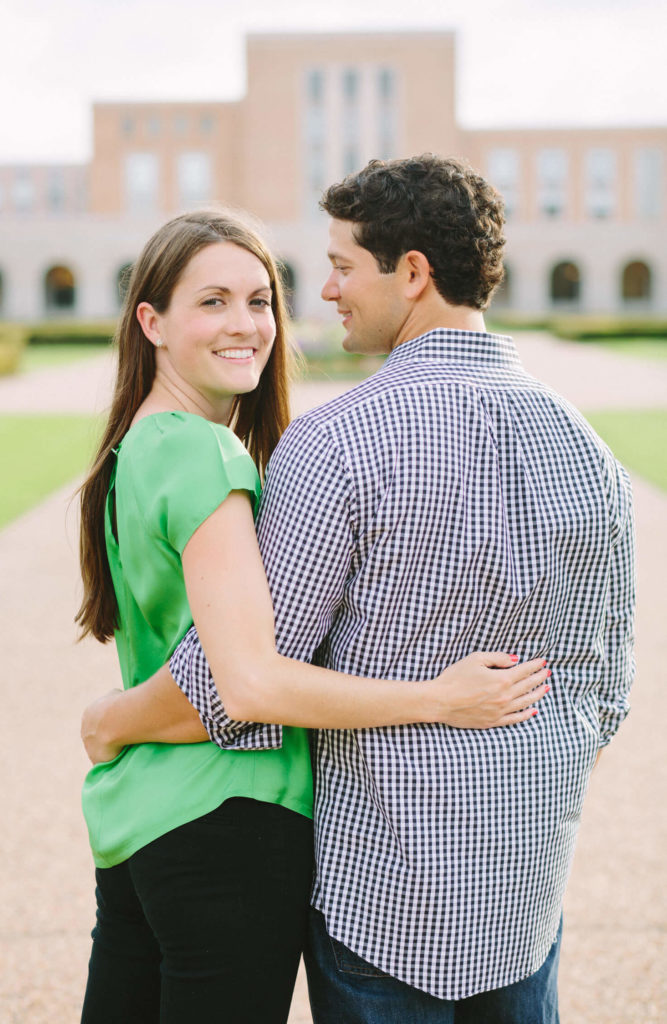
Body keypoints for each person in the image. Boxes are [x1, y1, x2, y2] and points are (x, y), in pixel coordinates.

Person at [95, 156, 635, 1022]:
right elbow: (605, 689)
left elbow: (237, 685)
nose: (328, 292)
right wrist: (525, 800)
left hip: (383, 893)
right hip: (526, 893)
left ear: (411, 273)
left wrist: (108, 719)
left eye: (343, 266)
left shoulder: (336, 443)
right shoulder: (590, 451)